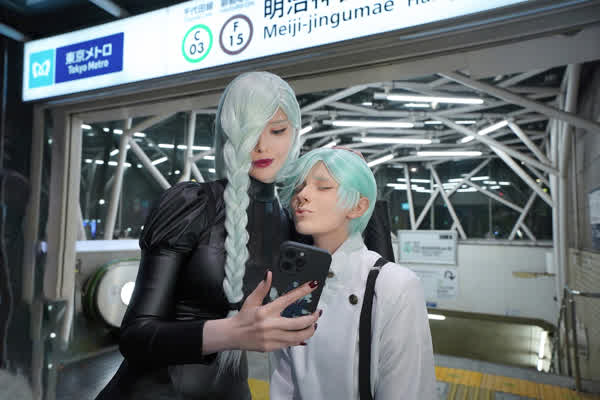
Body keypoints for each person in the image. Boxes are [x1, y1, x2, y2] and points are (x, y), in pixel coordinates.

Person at [95, 71, 322, 400]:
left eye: (276, 130)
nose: (261, 145)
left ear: (295, 133)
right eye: (248, 131)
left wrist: (359, 183)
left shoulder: (293, 225)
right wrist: (230, 333)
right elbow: (135, 336)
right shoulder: (192, 205)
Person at [270, 148, 436, 399]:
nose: (302, 195)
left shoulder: (395, 285)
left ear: (358, 206)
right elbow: (284, 383)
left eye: (323, 187)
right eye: (299, 188)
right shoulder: (292, 285)